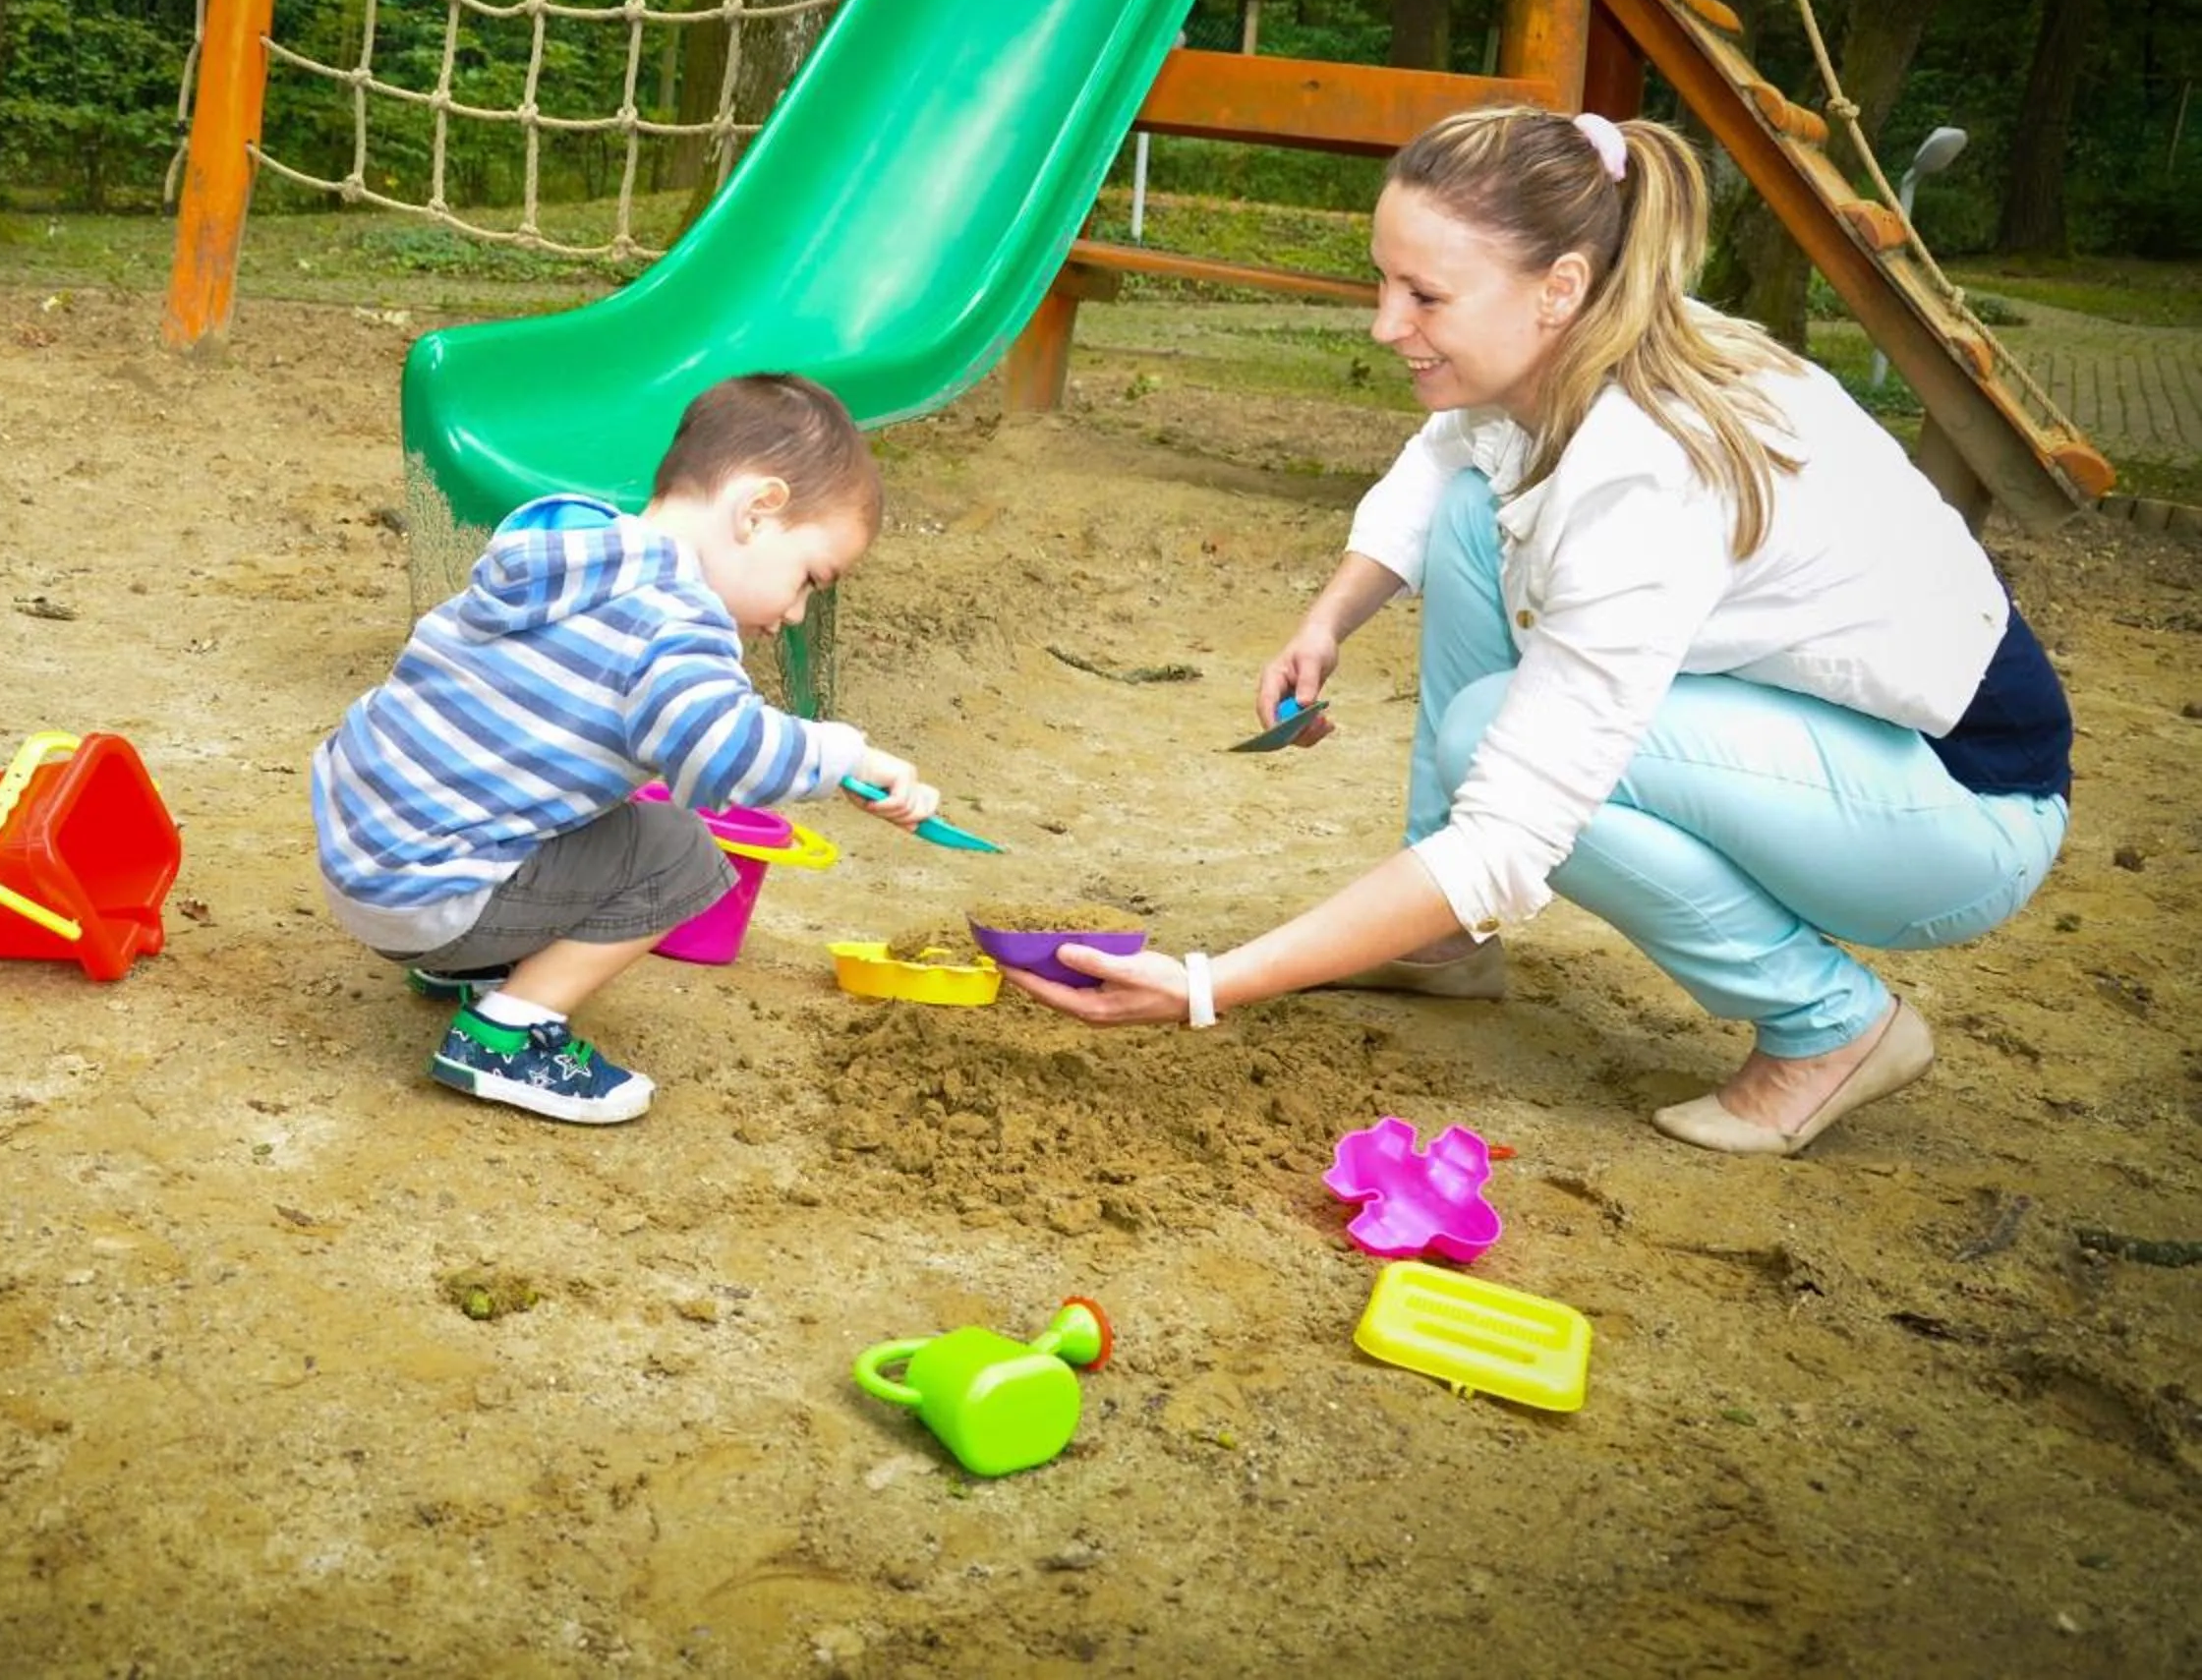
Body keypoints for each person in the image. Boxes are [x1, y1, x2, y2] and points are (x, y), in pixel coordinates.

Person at [1008, 105, 2072, 1158]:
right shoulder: (1569, 351)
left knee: (1491, 741)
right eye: (1385, 281)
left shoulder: (1645, 474)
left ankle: (1832, 1026)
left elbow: (1516, 829)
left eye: (1424, 295)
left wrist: (1207, 985)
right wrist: (1328, 619)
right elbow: (1439, 463)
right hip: (1830, 742)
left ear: (1559, 286)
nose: (1386, 323)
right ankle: (1438, 944)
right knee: (1478, 506)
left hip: (1956, 814)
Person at [312, 373, 941, 1126]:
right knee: (679, 851)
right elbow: (722, 755)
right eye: (809, 578)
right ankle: (506, 1036)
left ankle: (472, 967)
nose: (793, 615)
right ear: (758, 510)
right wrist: (847, 756)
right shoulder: (677, 614)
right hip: (430, 896)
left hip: (361, 854)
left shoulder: (572, 551)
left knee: (588, 795)